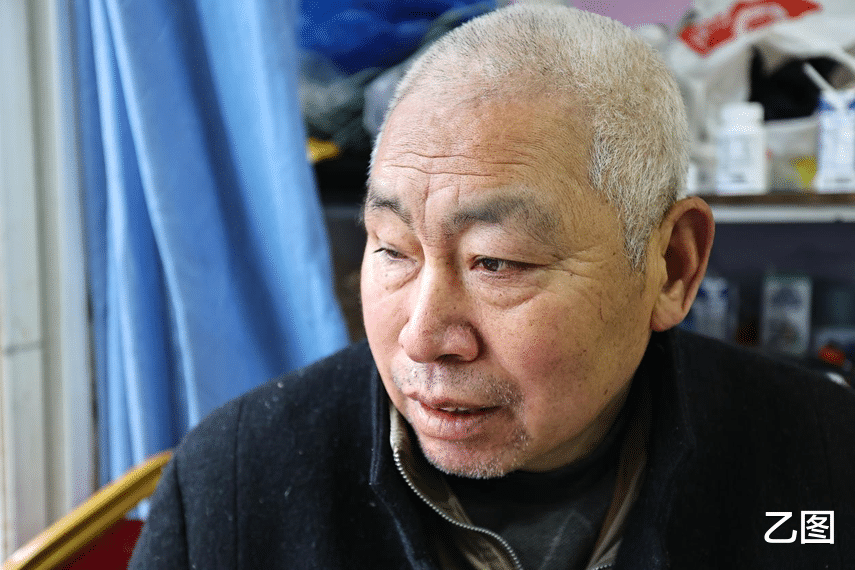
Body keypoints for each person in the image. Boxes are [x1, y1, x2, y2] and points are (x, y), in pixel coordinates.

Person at [130, 5, 855, 569]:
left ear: (671, 265)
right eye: (393, 250)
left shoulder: (822, 463)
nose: (423, 338)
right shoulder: (236, 485)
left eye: (495, 262)